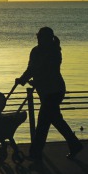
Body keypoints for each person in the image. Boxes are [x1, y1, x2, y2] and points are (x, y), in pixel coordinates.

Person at [15, 26, 83, 162]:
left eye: (40, 37)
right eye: (38, 37)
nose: (38, 39)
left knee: (43, 123)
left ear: (46, 38)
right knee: (56, 120)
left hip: (53, 92)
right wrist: (25, 79)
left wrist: (25, 79)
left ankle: (35, 154)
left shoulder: (52, 52)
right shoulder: (43, 51)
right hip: (49, 91)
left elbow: (40, 70)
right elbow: (33, 69)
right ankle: (74, 144)